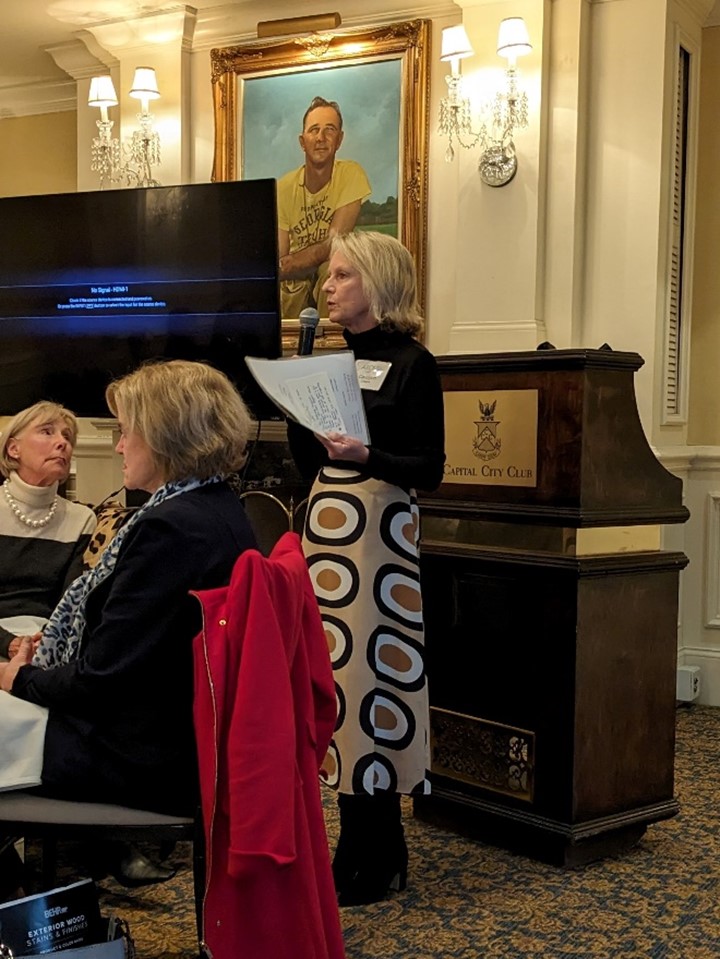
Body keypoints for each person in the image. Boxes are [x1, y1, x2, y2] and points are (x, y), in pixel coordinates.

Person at [0, 360, 258, 890]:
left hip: (138, 757)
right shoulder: (217, 508)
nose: (118, 446)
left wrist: (20, 679)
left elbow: (100, 680)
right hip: (173, 734)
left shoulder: (169, 530)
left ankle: (22, 901)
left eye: (126, 432)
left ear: (164, 436)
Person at [286, 231, 445, 906]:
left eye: (342, 275)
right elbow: (307, 461)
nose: (327, 287)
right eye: (328, 276)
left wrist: (366, 456)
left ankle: (374, 850)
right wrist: (299, 401)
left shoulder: (413, 363)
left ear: (377, 282)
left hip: (378, 539)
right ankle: (366, 847)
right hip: (328, 531)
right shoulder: (332, 360)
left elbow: (429, 469)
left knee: (370, 684)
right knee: (335, 685)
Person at [0, 402, 96, 661]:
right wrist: (9, 644)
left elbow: (70, 605)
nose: (62, 443)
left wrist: (45, 644)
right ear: (13, 448)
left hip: (45, 646)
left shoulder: (82, 520)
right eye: (47, 431)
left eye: (67, 436)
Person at [277, 96, 371, 319]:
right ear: (302, 141)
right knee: (291, 288)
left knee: (330, 270)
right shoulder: (283, 187)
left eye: (330, 130)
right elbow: (279, 256)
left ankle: (332, 337)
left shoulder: (351, 174)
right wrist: (288, 266)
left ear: (339, 140)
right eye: (314, 130)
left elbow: (333, 244)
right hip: (294, 283)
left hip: (328, 271)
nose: (321, 138)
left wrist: (293, 262)